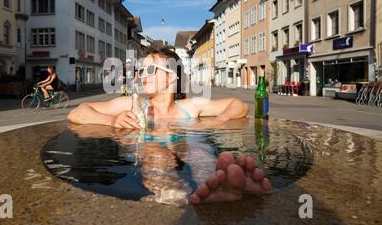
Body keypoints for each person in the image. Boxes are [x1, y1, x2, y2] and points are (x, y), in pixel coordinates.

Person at [68, 48, 271, 204]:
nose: (143, 75)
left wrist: (218, 121)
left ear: (172, 76)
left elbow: (239, 106)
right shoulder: (132, 103)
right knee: (157, 154)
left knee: (200, 153)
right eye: (141, 70)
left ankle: (215, 186)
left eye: (151, 69)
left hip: (184, 145)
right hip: (150, 150)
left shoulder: (189, 107)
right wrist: (111, 121)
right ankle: (178, 198)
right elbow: (77, 112)